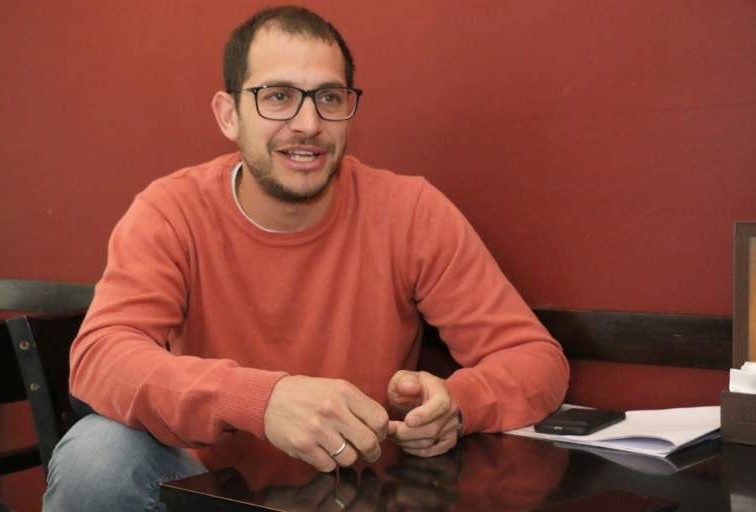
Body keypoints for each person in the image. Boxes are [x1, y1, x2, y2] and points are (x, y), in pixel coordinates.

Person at [43, 5, 569, 511]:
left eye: (329, 98)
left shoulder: (411, 211)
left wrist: (456, 404)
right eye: (278, 97)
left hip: (361, 495)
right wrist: (263, 399)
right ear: (228, 115)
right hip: (207, 495)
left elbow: (534, 360)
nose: (308, 123)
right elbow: (101, 357)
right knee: (97, 455)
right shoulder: (170, 211)